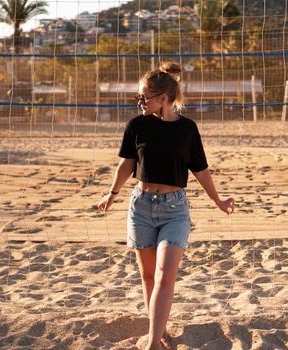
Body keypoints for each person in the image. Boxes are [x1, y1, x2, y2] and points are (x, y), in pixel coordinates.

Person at [97, 62, 235, 350]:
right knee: (148, 276)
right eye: (139, 96)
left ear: (163, 98)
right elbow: (127, 164)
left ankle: (152, 344)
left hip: (175, 210)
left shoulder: (187, 129)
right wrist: (112, 194)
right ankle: (157, 333)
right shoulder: (136, 125)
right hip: (141, 207)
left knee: (164, 274)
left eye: (144, 96)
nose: (140, 101)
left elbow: (201, 170)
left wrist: (218, 201)